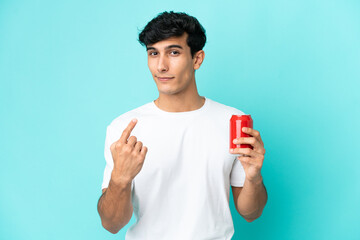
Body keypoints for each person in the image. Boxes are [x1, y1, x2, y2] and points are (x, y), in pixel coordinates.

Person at [97, 11, 267, 239]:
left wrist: (254, 178)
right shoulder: (124, 129)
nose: (161, 66)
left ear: (197, 59)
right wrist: (120, 179)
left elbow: (250, 213)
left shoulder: (232, 122)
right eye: (153, 53)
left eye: (173, 52)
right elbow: (112, 224)